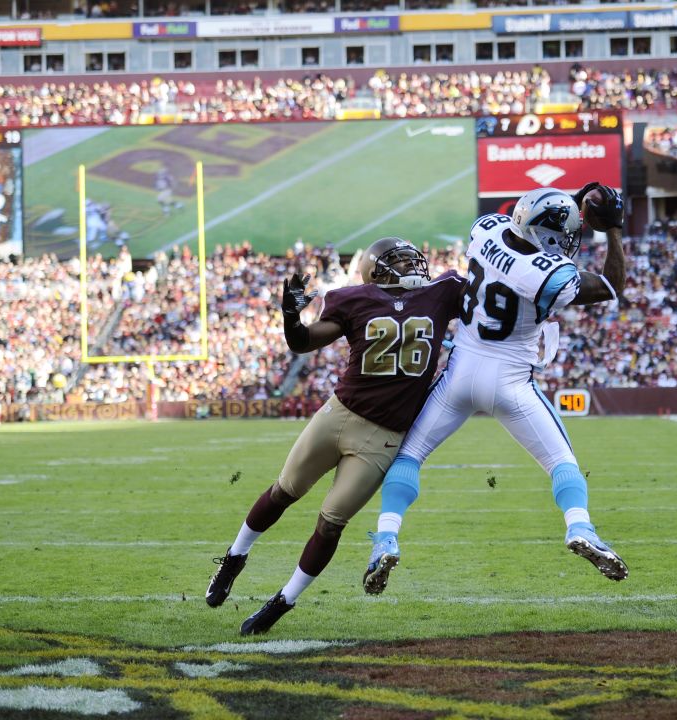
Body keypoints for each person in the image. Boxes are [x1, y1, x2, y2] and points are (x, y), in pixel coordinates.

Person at [363, 183, 630, 595]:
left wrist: (569, 206)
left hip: (461, 373)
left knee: (411, 455)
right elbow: (612, 285)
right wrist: (612, 228)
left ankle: (386, 536)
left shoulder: (485, 229)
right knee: (562, 461)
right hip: (510, 380)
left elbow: (527, 230)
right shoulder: (550, 274)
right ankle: (581, 527)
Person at [204, 237, 466, 635]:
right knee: (284, 490)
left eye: (414, 259)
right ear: (375, 270)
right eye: (400, 260)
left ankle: (283, 601)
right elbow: (303, 341)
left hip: (383, 437)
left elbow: (494, 298)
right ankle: (233, 559)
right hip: (338, 415)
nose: (414, 266)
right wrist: (291, 317)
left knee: (330, 523)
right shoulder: (353, 298)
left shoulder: (443, 292)